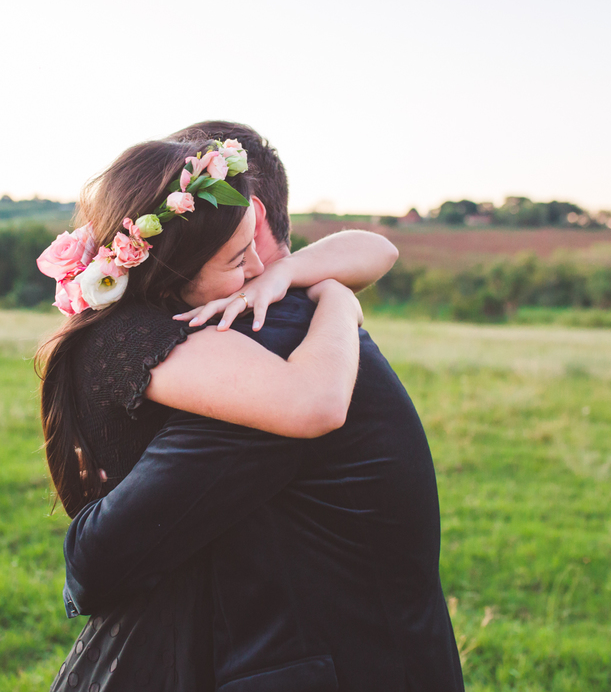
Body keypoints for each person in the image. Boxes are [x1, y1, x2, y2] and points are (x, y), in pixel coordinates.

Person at [61, 122, 465, 691]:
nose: (252, 268)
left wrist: (338, 301)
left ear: (247, 211)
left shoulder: (261, 341)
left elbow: (104, 558)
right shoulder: (282, 318)